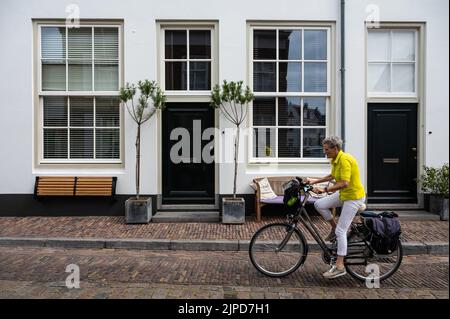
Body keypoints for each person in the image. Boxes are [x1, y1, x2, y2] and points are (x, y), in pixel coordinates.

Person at [306, 136, 366, 279]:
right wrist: (315, 180)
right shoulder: (335, 159)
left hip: (353, 197)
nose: (325, 152)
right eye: (324, 149)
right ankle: (334, 227)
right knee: (319, 204)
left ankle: (340, 266)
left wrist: (324, 190)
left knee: (341, 231)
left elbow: (345, 183)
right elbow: (332, 176)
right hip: (344, 194)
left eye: (327, 150)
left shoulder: (344, 160)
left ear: (335, 148)